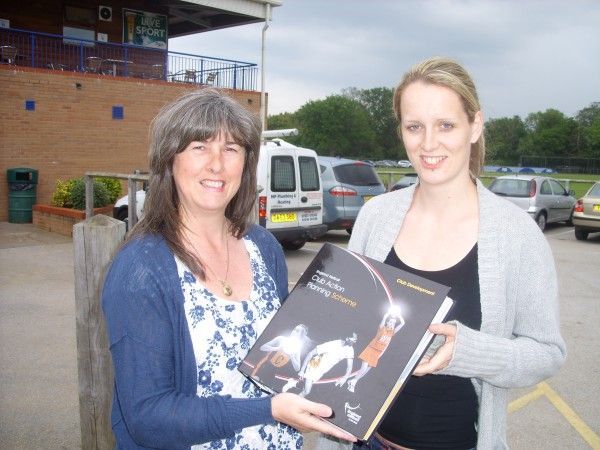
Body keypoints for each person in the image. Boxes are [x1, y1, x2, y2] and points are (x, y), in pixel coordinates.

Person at [317, 57, 566, 450]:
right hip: (366, 441)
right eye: (414, 126)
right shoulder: (375, 217)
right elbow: (346, 318)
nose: (428, 143)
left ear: (475, 126)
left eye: (446, 125)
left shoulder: (517, 235)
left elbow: (547, 353)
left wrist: (468, 352)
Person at [101, 88, 356, 449]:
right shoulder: (141, 270)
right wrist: (268, 410)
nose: (217, 164)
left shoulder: (263, 247)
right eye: (199, 146)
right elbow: (148, 417)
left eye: (231, 148)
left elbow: (285, 356)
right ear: (169, 160)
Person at [346, 310, 405, 393]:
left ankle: (353, 381)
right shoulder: (382, 328)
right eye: (391, 322)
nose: (392, 324)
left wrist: (398, 315)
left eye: (394, 323)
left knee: (366, 371)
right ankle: (353, 382)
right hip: (371, 349)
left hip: (377, 353)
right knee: (363, 368)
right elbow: (384, 320)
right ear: (387, 322)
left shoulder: (392, 332)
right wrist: (387, 314)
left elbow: (402, 323)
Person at [296, 333, 358, 397]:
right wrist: (302, 371)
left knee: (305, 390)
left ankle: (294, 388)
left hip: (321, 371)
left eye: (355, 340)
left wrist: (345, 378)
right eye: (353, 339)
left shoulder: (350, 350)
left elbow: (349, 367)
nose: (354, 341)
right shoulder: (333, 344)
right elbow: (311, 353)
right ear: (347, 338)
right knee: (307, 391)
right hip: (314, 365)